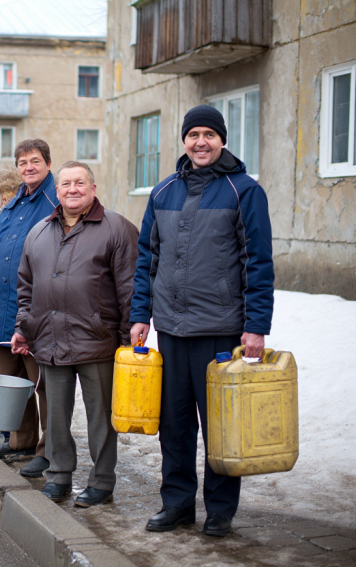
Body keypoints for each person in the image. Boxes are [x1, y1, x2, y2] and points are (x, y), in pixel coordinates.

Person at [129, 105, 274, 537]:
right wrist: (141, 314)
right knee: (174, 424)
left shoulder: (243, 191)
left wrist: (256, 325)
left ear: (222, 140)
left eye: (210, 134)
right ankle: (176, 504)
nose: (201, 142)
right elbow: (146, 261)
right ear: (184, 141)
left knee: (221, 427)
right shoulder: (163, 191)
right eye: (194, 134)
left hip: (222, 330)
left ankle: (220, 510)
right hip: (172, 330)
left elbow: (259, 263)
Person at [12, 161, 139, 505]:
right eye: (66, 183)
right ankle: (59, 474)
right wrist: (25, 327)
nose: (73, 189)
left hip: (98, 340)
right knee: (56, 415)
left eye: (80, 183)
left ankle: (101, 481)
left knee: (101, 416)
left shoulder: (116, 228)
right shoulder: (39, 231)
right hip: (49, 339)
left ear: (93, 189)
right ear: (57, 191)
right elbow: (26, 287)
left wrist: (129, 338)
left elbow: (131, 287)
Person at [0, 139, 59, 478]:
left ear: (47, 163)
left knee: (43, 384)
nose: (29, 167)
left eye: (35, 161)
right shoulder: (12, 205)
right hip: (1, 310)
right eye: (23, 162)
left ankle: (49, 449)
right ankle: (21, 441)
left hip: (37, 313)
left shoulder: (54, 200)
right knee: (13, 381)